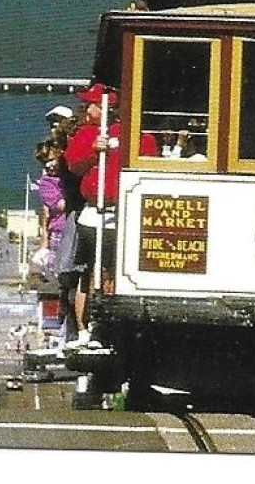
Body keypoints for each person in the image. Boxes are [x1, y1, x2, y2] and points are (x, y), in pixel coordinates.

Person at [63, 82, 156, 338]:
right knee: (88, 272)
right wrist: (93, 150)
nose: (85, 108)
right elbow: (74, 165)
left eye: (90, 104)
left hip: (122, 215)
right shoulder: (86, 134)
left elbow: (148, 161)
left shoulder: (135, 136)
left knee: (115, 272)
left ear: (106, 108)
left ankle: (111, 326)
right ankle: (84, 330)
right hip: (94, 214)